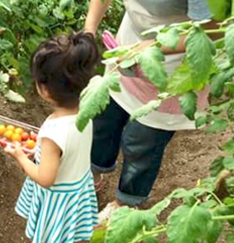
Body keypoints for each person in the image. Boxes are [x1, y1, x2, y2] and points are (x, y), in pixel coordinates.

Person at [84, 0, 215, 222]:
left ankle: (125, 204)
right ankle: (91, 178)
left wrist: (152, 47)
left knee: (142, 143)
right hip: (129, 44)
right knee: (105, 119)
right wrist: (89, 30)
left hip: (173, 63)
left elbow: (212, 31)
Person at [5, 32, 100, 243]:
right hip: (75, 187)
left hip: (56, 198)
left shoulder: (53, 134)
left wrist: (21, 156)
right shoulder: (84, 110)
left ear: (45, 89)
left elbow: (45, 178)